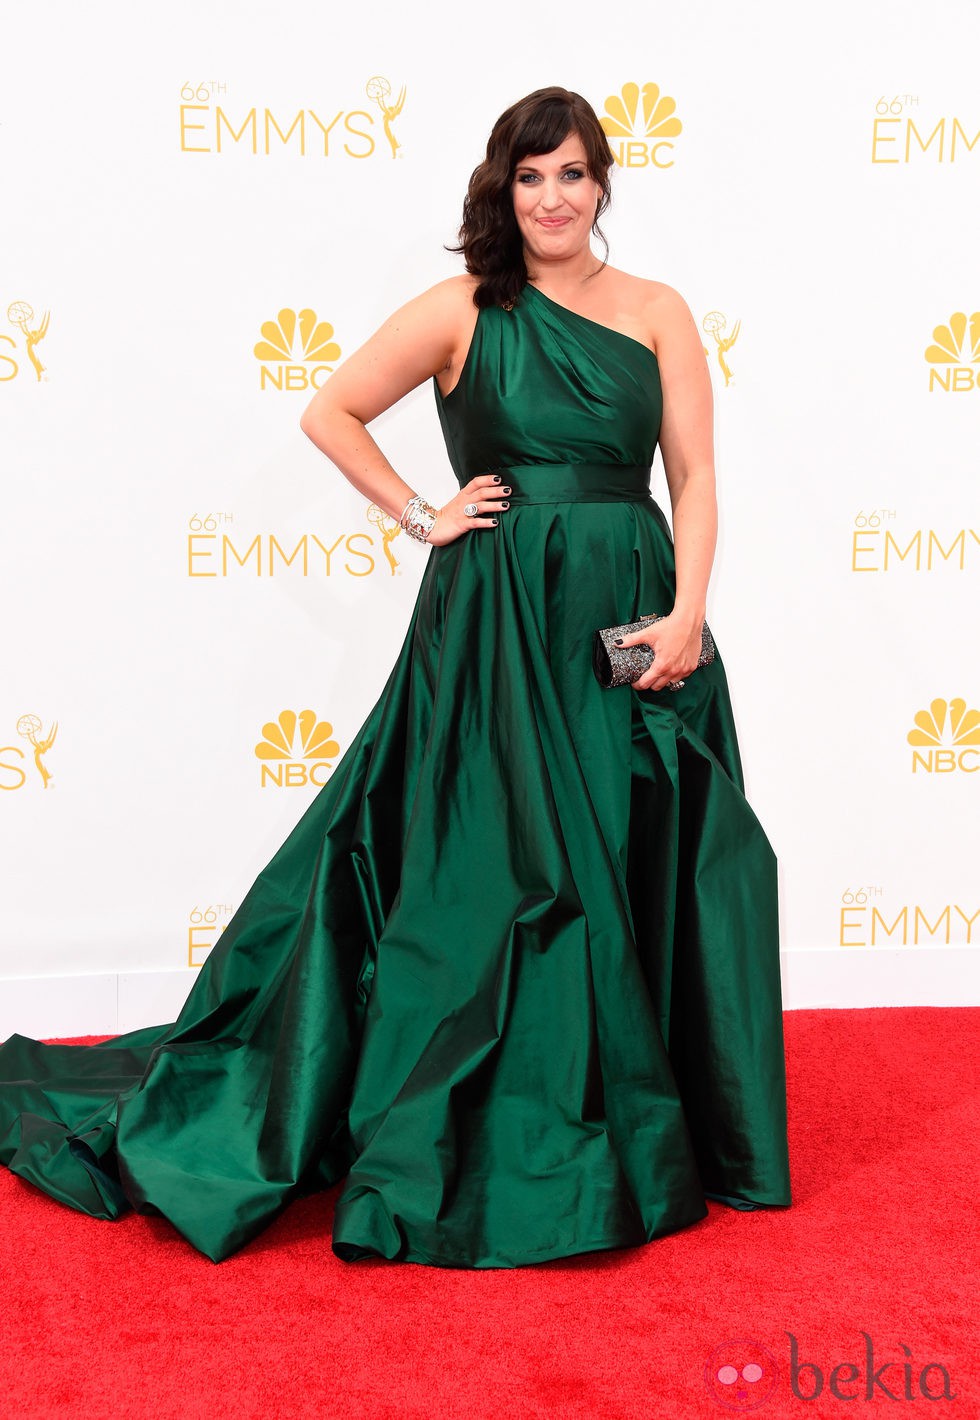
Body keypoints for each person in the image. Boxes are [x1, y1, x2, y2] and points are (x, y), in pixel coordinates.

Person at [0, 87, 791, 1268]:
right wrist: (426, 514)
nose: (552, 198)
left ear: (602, 183)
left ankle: (652, 1106)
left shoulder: (658, 311)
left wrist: (688, 612)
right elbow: (331, 411)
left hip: (629, 608)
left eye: (572, 174)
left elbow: (697, 474)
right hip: (500, 623)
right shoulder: (466, 309)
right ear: (501, 189)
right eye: (530, 178)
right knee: (513, 871)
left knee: (643, 852)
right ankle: (519, 1124)